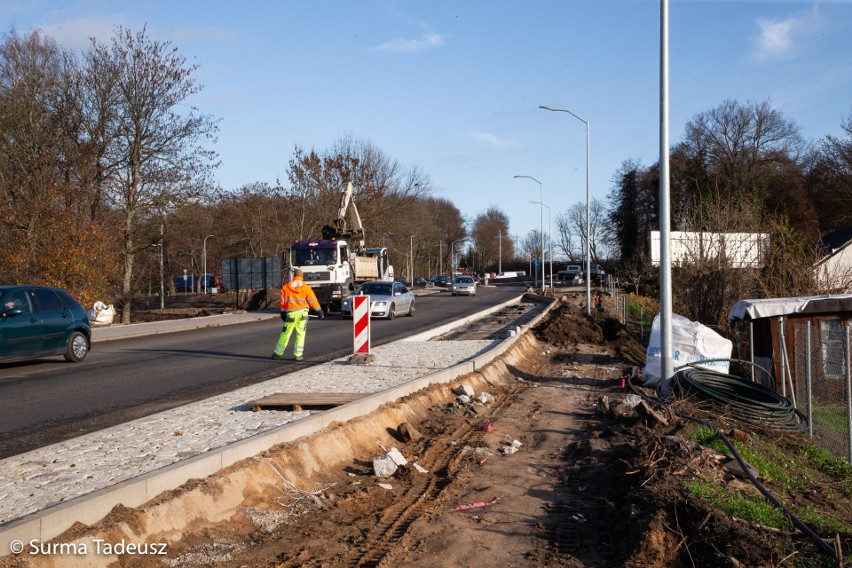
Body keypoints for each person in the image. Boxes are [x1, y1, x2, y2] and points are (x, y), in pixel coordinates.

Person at [271, 268, 324, 361]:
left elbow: (282, 303)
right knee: (300, 334)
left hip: (291, 315)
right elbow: (313, 301)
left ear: (293, 276)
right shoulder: (306, 287)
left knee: (285, 334)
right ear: (301, 276)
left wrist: (282, 313)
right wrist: (320, 312)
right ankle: (298, 355)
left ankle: (277, 354)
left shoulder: (286, 287)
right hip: (303, 314)